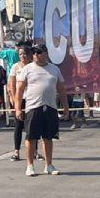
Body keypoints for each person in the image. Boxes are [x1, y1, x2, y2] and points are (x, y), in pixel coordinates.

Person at [15, 44, 70, 176]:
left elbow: (61, 90)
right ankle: (30, 165)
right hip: (33, 107)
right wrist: (17, 109)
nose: (36, 55)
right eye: (34, 53)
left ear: (46, 53)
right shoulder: (27, 69)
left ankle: (49, 165)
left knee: (48, 137)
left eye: (39, 52)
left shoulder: (54, 69)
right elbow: (20, 90)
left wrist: (66, 108)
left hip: (50, 107)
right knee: (31, 137)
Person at [7, 42, 37, 161]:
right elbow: (11, 85)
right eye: (20, 54)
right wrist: (15, 102)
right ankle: (16, 152)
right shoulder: (15, 67)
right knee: (18, 126)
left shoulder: (33, 66)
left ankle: (34, 151)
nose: (22, 56)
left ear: (29, 55)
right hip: (20, 99)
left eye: (25, 54)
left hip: (32, 99)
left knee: (33, 126)